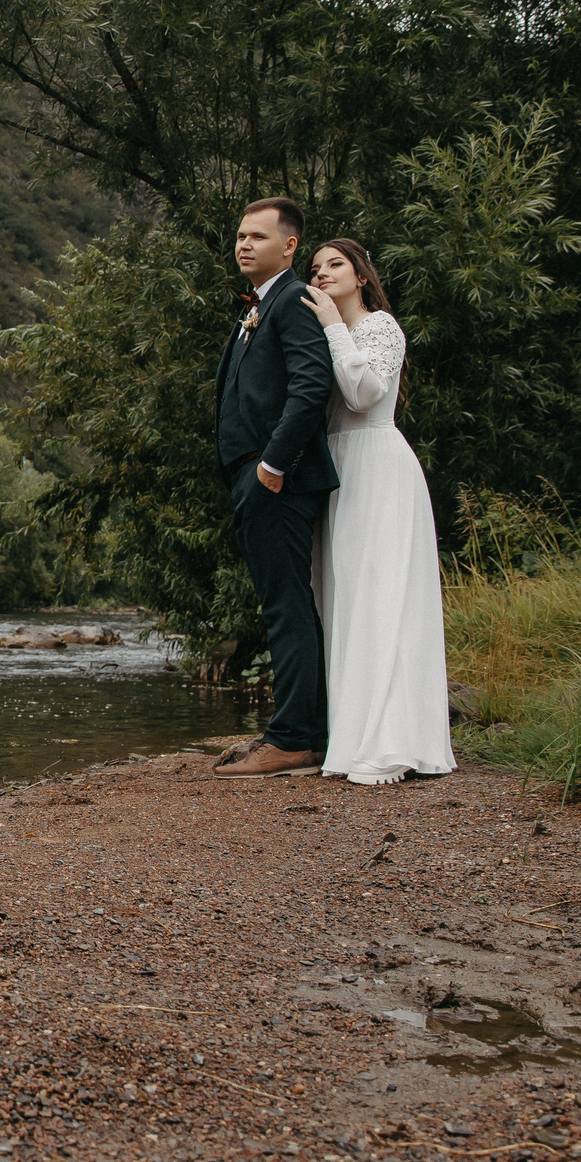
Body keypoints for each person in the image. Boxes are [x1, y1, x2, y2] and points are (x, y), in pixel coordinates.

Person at [298, 238, 456, 784]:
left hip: (379, 466)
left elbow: (365, 394)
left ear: (361, 275)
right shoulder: (324, 335)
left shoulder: (380, 327)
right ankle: (349, 734)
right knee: (344, 596)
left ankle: (391, 740)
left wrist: (333, 328)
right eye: (314, 269)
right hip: (339, 470)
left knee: (382, 593)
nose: (321, 275)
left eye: (334, 265)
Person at [211, 197, 338, 778]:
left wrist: (271, 466)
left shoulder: (293, 301)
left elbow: (311, 387)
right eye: (240, 235)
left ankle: (291, 739)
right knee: (285, 603)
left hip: (277, 479)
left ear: (289, 246)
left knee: (286, 606)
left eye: (257, 237)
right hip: (255, 475)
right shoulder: (257, 305)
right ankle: (304, 733)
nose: (243, 244)